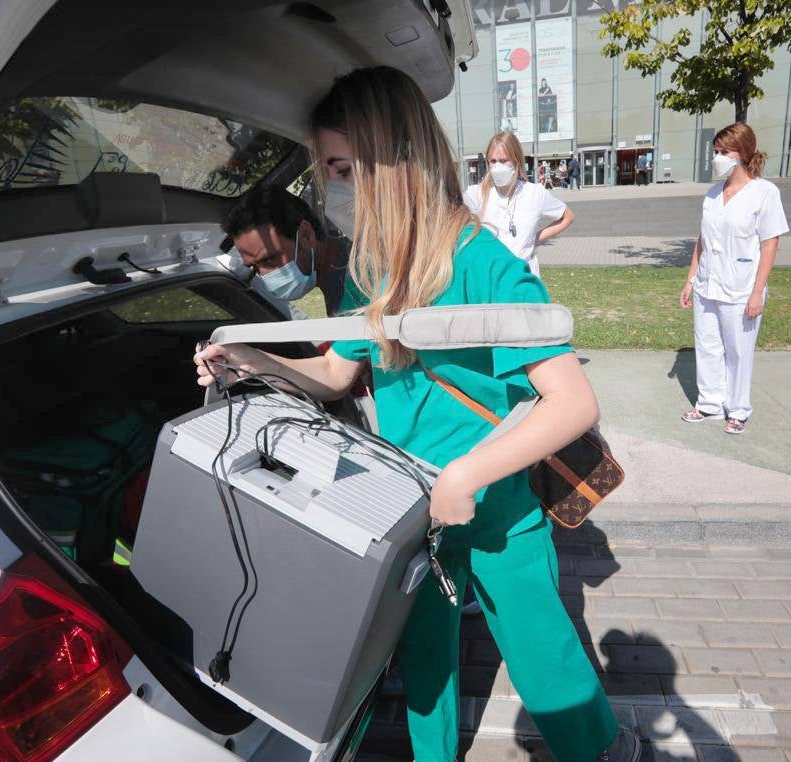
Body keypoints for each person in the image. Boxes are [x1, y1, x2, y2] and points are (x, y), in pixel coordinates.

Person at [194, 66, 637, 762]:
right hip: (409, 510)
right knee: (424, 665)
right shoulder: (369, 266)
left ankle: (599, 752)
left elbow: (573, 403)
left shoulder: (488, 264)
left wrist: (465, 475)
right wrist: (254, 362)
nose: (331, 189)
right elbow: (337, 372)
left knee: (544, 661)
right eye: (327, 171)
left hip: (497, 509)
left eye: (341, 167)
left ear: (394, 156)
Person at [679, 122, 789, 435]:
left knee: (738, 352)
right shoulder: (712, 194)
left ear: (742, 153)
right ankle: (710, 404)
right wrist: (690, 280)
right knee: (708, 346)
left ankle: (738, 410)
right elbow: (702, 241)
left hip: (741, 288)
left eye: (723, 151)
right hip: (707, 285)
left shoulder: (764, 193)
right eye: (715, 151)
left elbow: (770, 244)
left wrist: (758, 292)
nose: (717, 157)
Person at [223, 185, 351, 315]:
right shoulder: (337, 280)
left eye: (268, 259)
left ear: (306, 235)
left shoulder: (361, 282)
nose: (265, 275)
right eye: (255, 268)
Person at [463, 131, 575, 276]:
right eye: (493, 161)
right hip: (492, 281)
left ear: (516, 162)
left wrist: (534, 239)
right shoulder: (477, 194)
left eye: (503, 161)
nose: (497, 167)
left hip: (524, 280)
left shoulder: (535, 193)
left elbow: (568, 217)